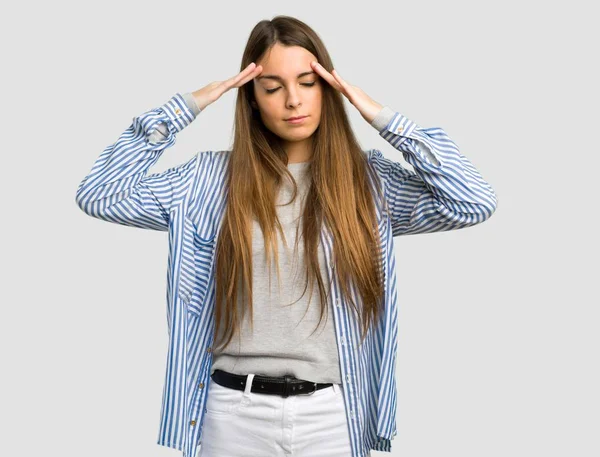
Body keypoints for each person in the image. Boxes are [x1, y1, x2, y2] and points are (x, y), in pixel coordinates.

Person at [75, 15, 497, 457]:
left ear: (330, 88)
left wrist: (383, 117)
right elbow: (101, 194)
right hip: (233, 416)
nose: (293, 100)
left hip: (333, 417)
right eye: (273, 87)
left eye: (307, 83)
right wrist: (189, 105)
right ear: (253, 99)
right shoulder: (205, 181)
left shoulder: (370, 183)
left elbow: (472, 202)